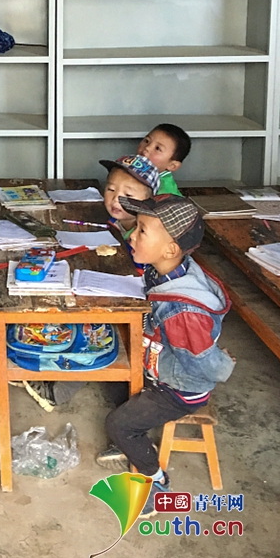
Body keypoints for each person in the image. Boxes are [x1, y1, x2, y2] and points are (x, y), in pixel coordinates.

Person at [97, 193, 235, 517]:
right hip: (162, 366)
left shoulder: (182, 312)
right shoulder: (167, 269)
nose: (132, 235)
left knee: (117, 424)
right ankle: (135, 439)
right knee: (112, 370)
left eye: (142, 231)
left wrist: (222, 364)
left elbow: (204, 363)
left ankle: (155, 480)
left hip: (179, 390)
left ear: (170, 249)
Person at [18, 153, 160, 413]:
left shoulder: (147, 236)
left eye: (128, 193)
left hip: (143, 316)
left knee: (89, 325)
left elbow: (140, 282)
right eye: (111, 189)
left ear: (149, 200)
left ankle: (58, 389)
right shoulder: (119, 222)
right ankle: (49, 363)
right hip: (118, 290)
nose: (115, 199)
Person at [137, 123, 192, 196]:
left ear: (172, 165)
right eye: (147, 141)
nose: (147, 148)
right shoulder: (131, 164)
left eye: (158, 148)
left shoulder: (164, 192)